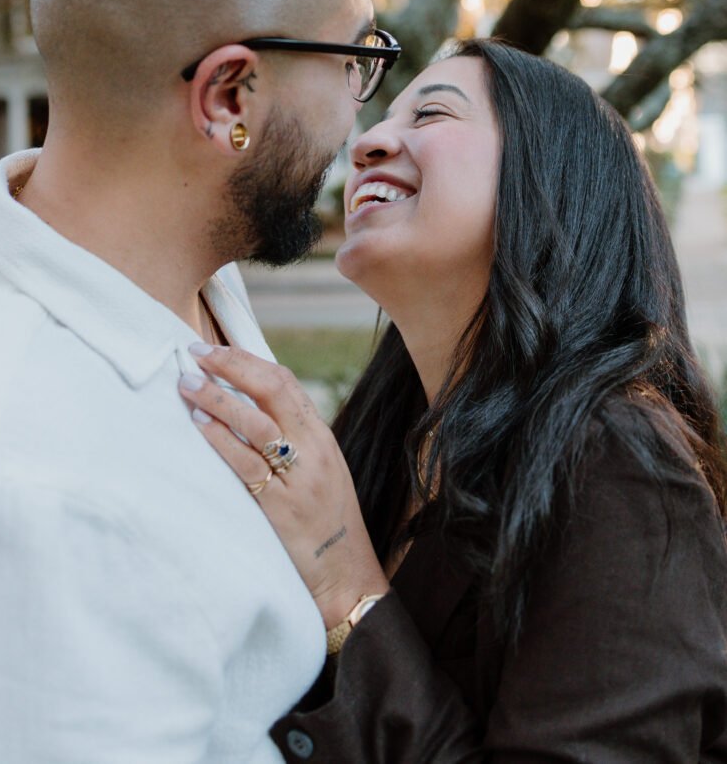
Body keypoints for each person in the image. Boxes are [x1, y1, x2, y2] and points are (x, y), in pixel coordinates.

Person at [0, 0, 402, 762]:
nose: (360, 111)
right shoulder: (25, 501)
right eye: (352, 57)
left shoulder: (186, 264)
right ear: (230, 95)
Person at [181, 38, 727, 762]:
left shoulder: (618, 460)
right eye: (382, 118)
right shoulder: (388, 438)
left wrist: (347, 588)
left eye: (432, 114)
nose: (368, 142)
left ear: (547, 177)